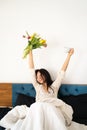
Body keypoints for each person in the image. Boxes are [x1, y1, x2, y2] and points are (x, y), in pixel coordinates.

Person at [0, 48, 75, 130]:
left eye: (41, 75)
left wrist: (69, 55)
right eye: (37, 77)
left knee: (48, 107)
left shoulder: (54, 87)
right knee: (38, 105)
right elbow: (31, 71)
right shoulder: (37, 87)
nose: (39, 78)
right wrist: (30, 52)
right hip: (38, 110)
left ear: (45, 75)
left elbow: (62, 73)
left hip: (51, 110)